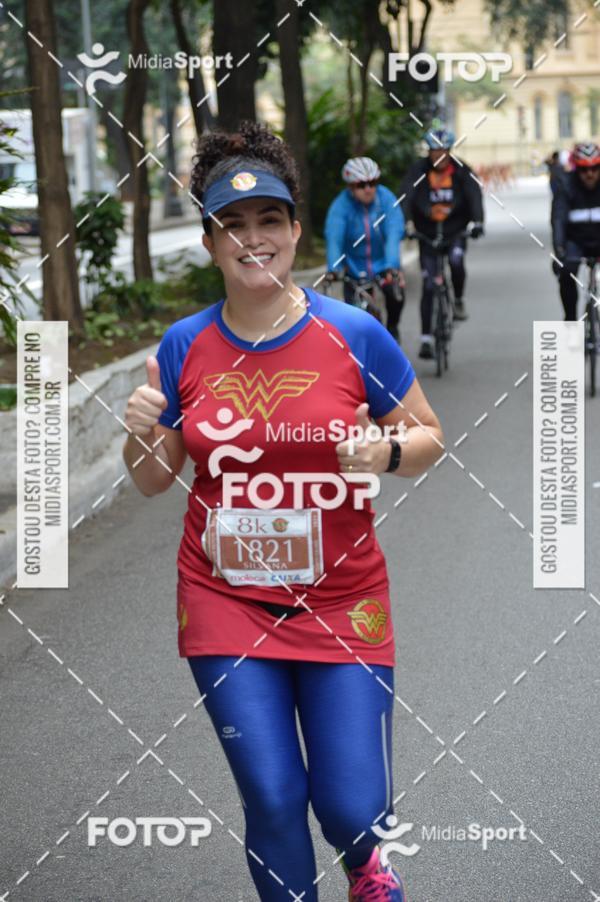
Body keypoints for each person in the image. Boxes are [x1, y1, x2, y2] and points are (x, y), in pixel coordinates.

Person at [123, 121, 444, 902]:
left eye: (269, 220)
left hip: (342, 601)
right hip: (224, 600)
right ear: (208, 242)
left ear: (297, 229)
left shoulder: (354, 334)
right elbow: (155, 480)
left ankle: (366, 865)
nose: (253, 239)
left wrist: (384, 454)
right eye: (232, 225)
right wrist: (136, 434)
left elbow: (429, 435)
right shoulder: (183, 346)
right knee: (271, 799)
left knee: (354, 808)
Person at [401, 127, 484, 359]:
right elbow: (406, 195)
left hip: (454, 231)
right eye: (434, 152)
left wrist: (477, 222)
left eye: (443, 152)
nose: (438, 157)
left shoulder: (461, 170)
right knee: (429, 284)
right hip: (427, 234)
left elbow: (474, 195)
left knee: (456, 261)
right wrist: (407, 223)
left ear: (450, 151)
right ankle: (426, 338)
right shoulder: (418, 170)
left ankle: (458, 299)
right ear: (428, 152)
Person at [324, 156, 406, 343]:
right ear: (351, 187)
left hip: (383, 264)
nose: (368, 189)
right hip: (354, 268)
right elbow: (334, 236)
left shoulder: (386, 199)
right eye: (362, 185)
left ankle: (393, 328)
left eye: (372, 183)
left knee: (396, 297)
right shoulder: (341, 205)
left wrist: (392, 265)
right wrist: (334, 268)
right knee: (352, 318)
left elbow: (394, 231)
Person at [551, 142, 600, 320]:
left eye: (595, 168)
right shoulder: (566, 185)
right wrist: (559, 251)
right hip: (575, 242)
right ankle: (570, 320)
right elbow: (558, 220)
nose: (590, 174)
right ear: (576, 169)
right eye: (584, 170)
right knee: (567, 272)